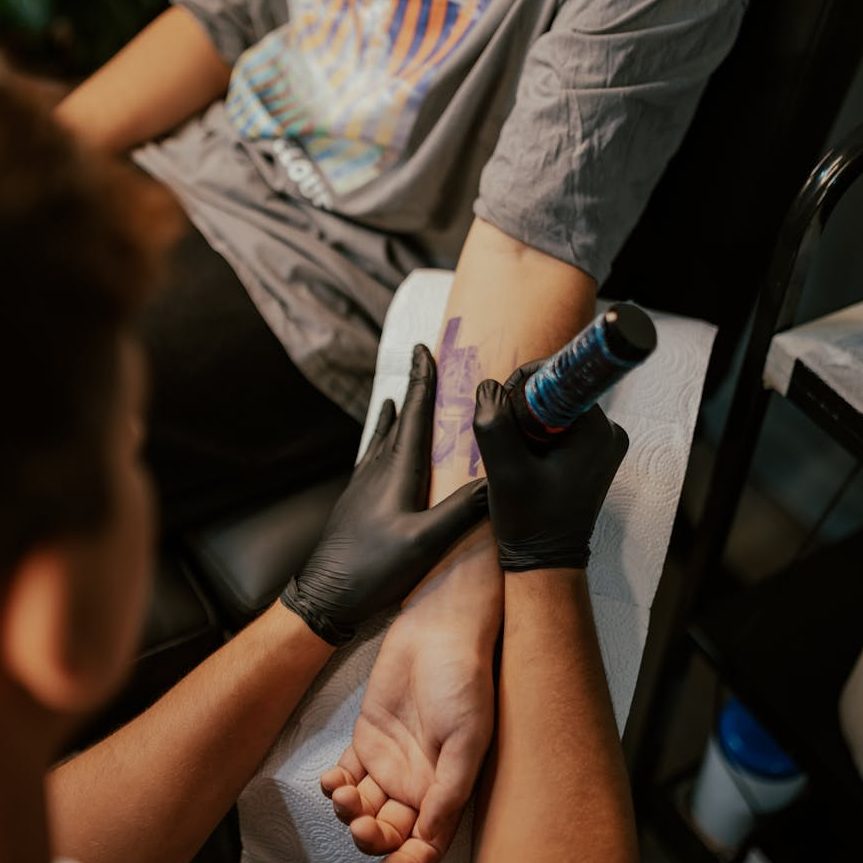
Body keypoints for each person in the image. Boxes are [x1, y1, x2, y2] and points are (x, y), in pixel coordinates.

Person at [52, 1, 747, 858]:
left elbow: (530, 245)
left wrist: (448, 594)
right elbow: (226, 16)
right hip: (193, 166)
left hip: (314, 280)